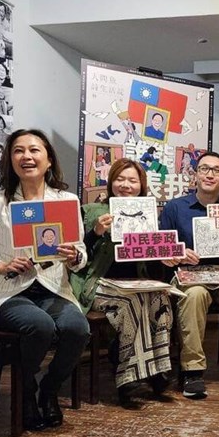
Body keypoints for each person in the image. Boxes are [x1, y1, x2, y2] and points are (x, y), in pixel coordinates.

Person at [0, 129, 89, 432]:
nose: (26, 156)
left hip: (53, 288)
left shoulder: (66, 200)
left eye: (34, 150)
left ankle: (49, 390)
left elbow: (81, 251)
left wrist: (74, 256)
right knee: (40, 326)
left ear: (48, 160)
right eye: (18, 151)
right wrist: (1, 264)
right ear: (10, 159)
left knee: (77, 328)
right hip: (8, 291)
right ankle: (26, 393)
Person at [70, 159, 174, 408]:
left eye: (132, 180)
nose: (126, 185)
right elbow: (75, 254)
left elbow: (152, 259)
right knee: (132, 304)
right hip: (97, 282)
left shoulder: (149, 215)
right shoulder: (90, 211)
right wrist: (94, 233)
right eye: (120, 179)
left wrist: (166, 256)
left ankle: (156, 369)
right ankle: (127, 377)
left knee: (161, 300)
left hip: (134, 283)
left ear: (141, 186)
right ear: (111, 182)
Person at [159, 151, 219, 399]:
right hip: (190, 276)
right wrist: (179, 254)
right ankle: (192, 371)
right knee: (194, 295)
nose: (210, 174)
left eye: (217, 170)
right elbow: (162, 248)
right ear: (195, 175)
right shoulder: (175, 208)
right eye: (204, 169)